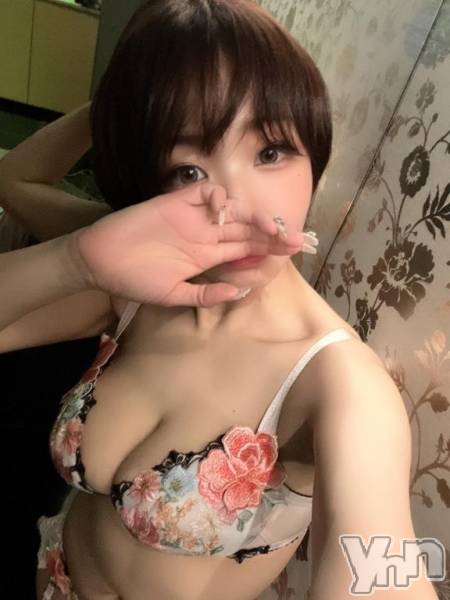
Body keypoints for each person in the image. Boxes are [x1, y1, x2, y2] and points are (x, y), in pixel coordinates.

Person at [0, 1, 439, 599]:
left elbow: (383, 566)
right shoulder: (139, 289)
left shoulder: (338, 383)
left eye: (270, 152)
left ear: (315, 156)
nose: (234, 205)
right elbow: (16, 182)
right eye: (187, 170)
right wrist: (73, 260)